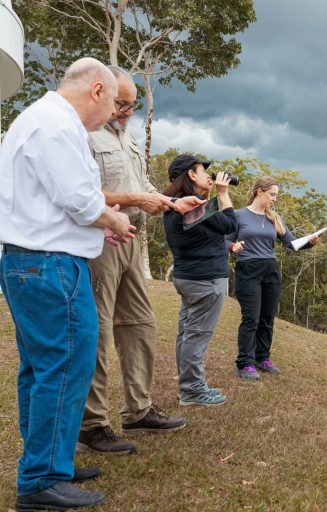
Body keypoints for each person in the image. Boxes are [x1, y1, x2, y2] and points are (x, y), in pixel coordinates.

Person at [0, 58, 134, 511]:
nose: (115, 111)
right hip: (51, 265)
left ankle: (47, 459)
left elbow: (57, 199)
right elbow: (78, 198)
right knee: (66, 363)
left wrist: (99, 225)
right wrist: (112, 218)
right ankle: (41, 480)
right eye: (115, 101)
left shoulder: (35, 118)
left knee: (40, 367)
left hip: (29, 261)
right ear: (97, 90)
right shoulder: (58, 126)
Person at [77, 66, 199, 456]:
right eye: (122, 103)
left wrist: (171, 202)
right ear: (103, 94)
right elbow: (86, 194)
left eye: (133, 104)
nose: (128, 110)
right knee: (97, 331)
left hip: (131, 239)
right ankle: (93, 424)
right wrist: (135, 200)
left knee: (141, 325)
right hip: (101, 240)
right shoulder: (84, 134)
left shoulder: (125, 138)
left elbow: (141, 183)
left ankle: (138, 409)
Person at [163, 155, 237, 406]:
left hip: (188, 277)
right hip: (205, 280)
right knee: (196, 335)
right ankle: (192, 390)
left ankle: (190, 386)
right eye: (203, 171)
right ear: (191, 175)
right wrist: (223, 192)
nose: (209, 175)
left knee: (187, 334)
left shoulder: (176, 206)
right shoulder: (194, 205)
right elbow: (230, 224)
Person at [229, 176, 319, 380]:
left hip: (270, 270)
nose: (275, 199)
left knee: (267, 318)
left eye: (276, 195)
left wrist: (310, 242)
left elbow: (292, 244)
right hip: (248, 269)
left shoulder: (274, 218)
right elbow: (226, 240)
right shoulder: (238, 215)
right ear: (259, 191)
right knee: (251, 318)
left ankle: (262, 358)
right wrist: (233, 247)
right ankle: (245, 363)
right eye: (272, 194)